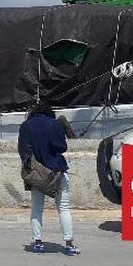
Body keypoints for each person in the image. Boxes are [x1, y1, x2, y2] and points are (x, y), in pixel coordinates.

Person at [18, 106, 79, 256]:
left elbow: (23, 151)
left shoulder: (26, 126)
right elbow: (62, 147)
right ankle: (69, 244)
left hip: (37, 174)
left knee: (37, 208)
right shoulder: (55, 124)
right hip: (57, 171)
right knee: (63, 208)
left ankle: (38, 243)